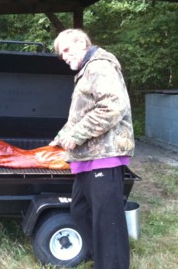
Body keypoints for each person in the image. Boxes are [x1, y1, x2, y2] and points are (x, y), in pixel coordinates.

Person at [50, 28, 135, 269]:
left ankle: (112, 263)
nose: (64, 56)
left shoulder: (99, 65)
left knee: (107, 222)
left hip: (104, 156)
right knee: (80, 211)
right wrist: (60, 137)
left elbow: (112, 107)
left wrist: (76, 135)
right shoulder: (86, 71)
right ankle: (103, 258)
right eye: (60, 54)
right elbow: (81, 115)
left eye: (66, 49)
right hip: (89, 156)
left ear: (81, 42)